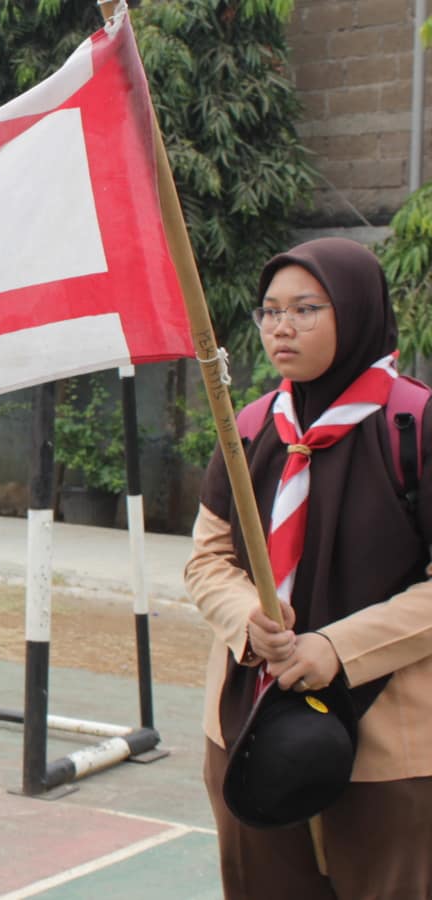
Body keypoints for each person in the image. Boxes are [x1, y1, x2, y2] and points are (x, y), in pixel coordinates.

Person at [186, 237, 432, 898]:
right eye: (270, 311)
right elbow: (208, 559)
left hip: (387, 744)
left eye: (305, 309)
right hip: (249, 729)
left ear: (355, 310)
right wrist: (248, 617)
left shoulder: (415, 426)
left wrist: (338, 649)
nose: (281, 327)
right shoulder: (248, 428)